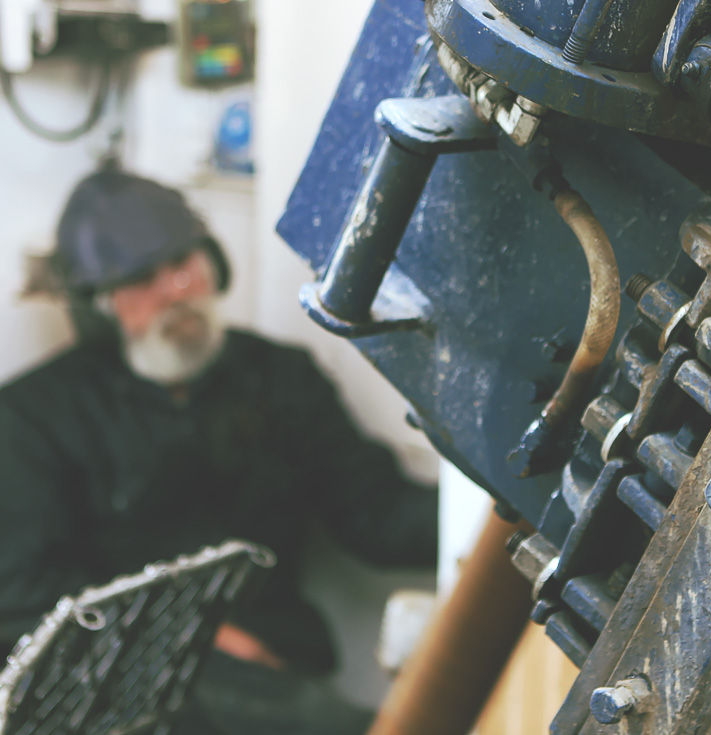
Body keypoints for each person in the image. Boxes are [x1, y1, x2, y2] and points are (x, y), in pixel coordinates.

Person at [0, 167, 438, 734]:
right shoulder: (33, 419)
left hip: (278, 665)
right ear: (98, 309)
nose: (175, 292)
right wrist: (188, 639)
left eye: (183, 264)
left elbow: (376, 516)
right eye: (141, 279)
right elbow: (21, 596)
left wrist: (504, 512)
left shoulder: (281, 379)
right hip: (118, 689)